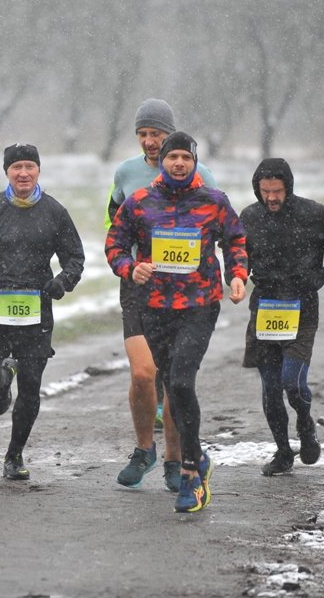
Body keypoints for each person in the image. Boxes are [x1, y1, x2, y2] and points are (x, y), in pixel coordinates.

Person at [105, 132, 248, 513]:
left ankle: (189, 474)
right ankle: (197, 457)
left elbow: (235, 240)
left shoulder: (213, 202)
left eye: (186, 157)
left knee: (182, 381)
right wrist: (129, 267)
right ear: (163, 162)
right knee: (171, 384)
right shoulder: (139, 202)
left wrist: (237, 274)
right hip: (155, 307)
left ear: (195, 161)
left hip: (199, 304)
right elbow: (114, 243)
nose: (179, 163)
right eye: (173, 158)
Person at [105, 98, 217, 493]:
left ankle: (173, 457)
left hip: (182, 290)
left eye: (156, 134)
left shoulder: (201, 174)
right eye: (143, 134)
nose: (150, 142)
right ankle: (143, 449)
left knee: (172, 380)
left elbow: (214, 228)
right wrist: (129, 262)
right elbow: (113, 226)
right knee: (143, 373)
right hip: (138, 282)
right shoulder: (126, 173)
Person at [0, 144, 84, 480]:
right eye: (16, 167)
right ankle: (0, 382)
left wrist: (63, 282)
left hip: (36, 307)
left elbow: (75, 257)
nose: (23, 173)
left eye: (29, 167)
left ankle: (14, 456)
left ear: (38, 171)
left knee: (32, 386)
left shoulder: (54, 211)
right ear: (7, 171)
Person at [239, 158, 324, 476]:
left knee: (292, 382)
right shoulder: (249, 217)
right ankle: (282, 452)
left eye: (277, 191)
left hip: (302, 307)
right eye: (265, 191)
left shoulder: (314, 213)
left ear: (288, 188)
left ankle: (305, 424)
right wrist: (235, 275)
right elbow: (237, 255)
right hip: (264, 307)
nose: (272, 198)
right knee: (270, 388)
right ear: (257, 189)